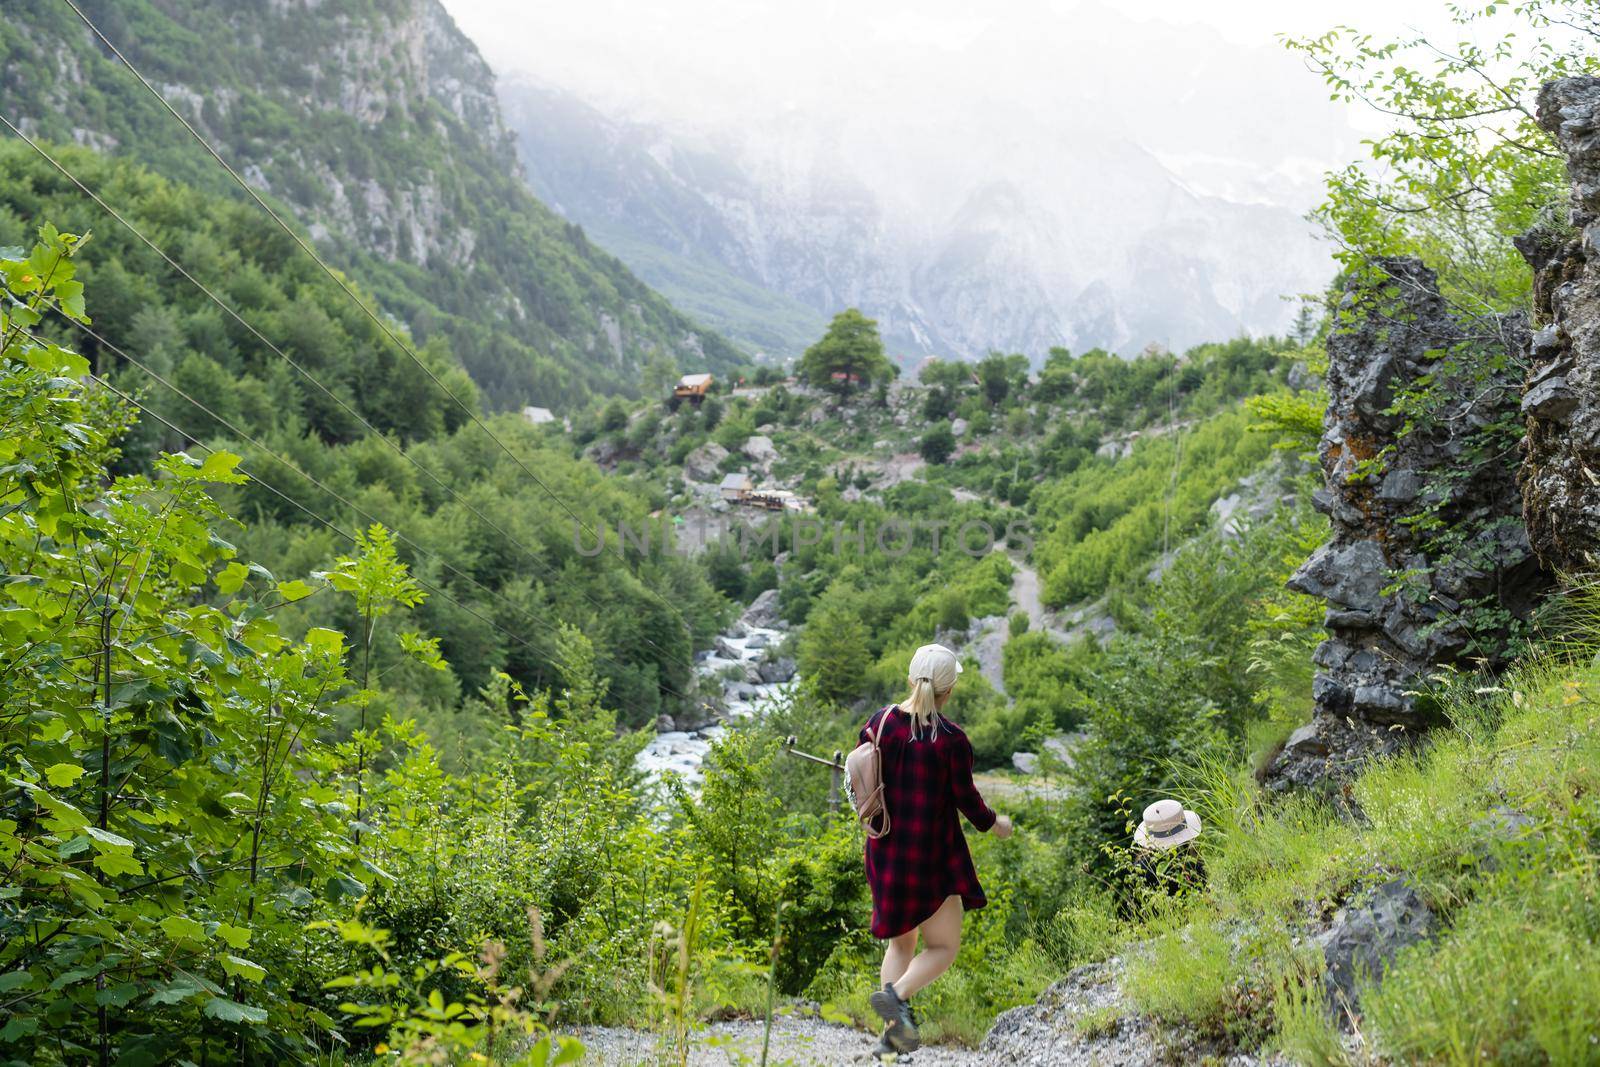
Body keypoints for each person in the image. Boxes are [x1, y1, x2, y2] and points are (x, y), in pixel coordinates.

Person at [861, 643, 1013, 1055]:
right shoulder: (952, 740)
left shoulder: (880, 723)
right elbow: (968, 800)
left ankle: (894, 1034)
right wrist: (996, 825)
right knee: (943, 948)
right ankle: (898, 998)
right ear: (949, 691)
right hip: (931, 860)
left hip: (886, 855)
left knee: (900, 944)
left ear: (910, 680)